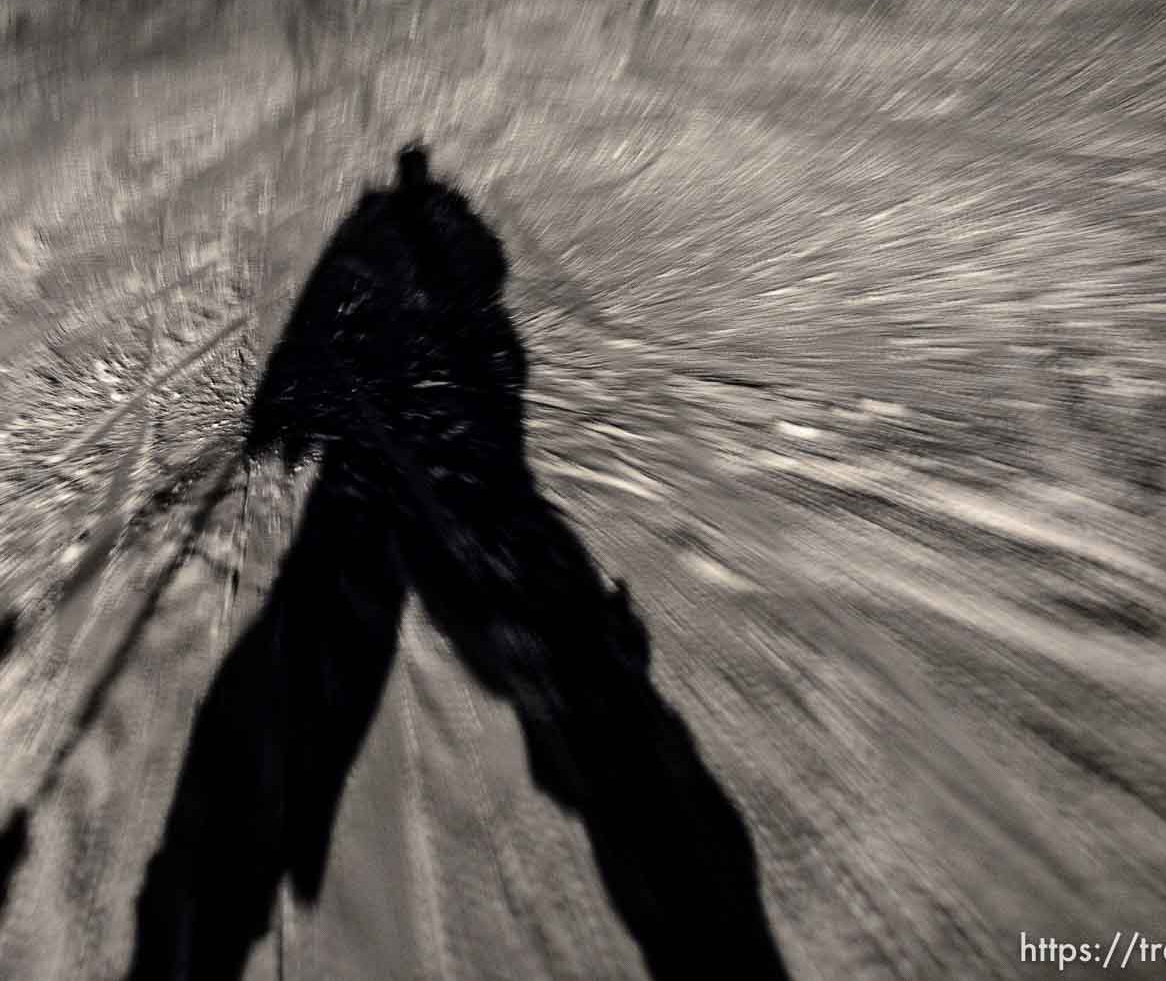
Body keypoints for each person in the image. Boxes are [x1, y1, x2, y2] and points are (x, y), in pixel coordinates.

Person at [127, 145, 785, 980]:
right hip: (469, 468)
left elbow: (312, 338)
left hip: (378, 464)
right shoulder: (461, 258)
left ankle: (200, 921)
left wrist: (280, 416)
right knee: (576, 675)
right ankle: (713, 935)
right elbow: (498, 355)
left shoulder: (366, 237)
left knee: (310, 653)